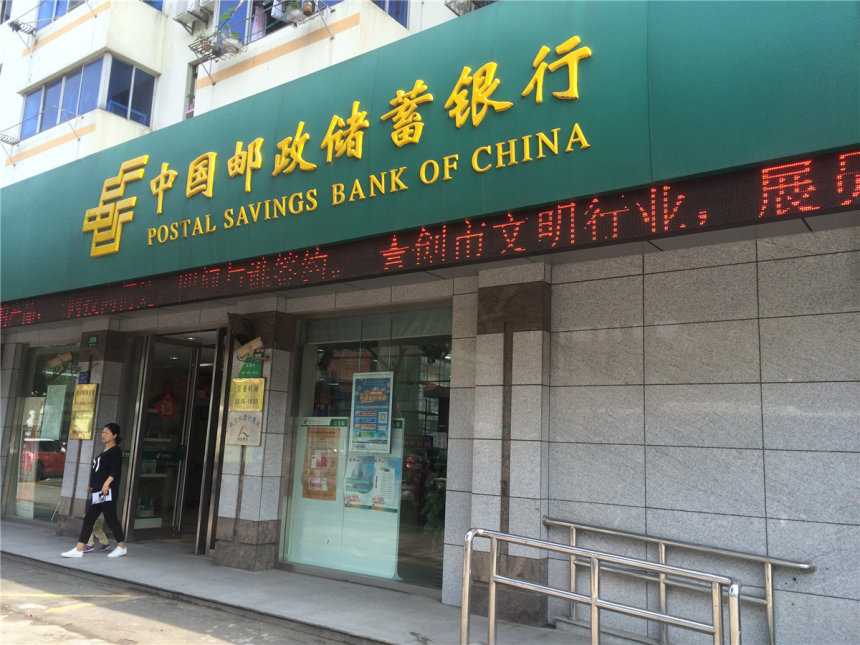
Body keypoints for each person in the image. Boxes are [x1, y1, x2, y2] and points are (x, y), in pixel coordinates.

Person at [62, 423, 127, 559]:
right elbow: (98, 470)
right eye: (102, 432)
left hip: (107, 492)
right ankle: (79, 549)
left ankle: (121, 547)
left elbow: (115, 471)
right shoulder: (105, 450)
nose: (103, 435)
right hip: (98, 492)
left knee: (111, 519)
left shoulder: (116, 451)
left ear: (114, 435)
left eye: (107, 432)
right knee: (89, 519)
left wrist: (106, 484)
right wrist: (92, 485)